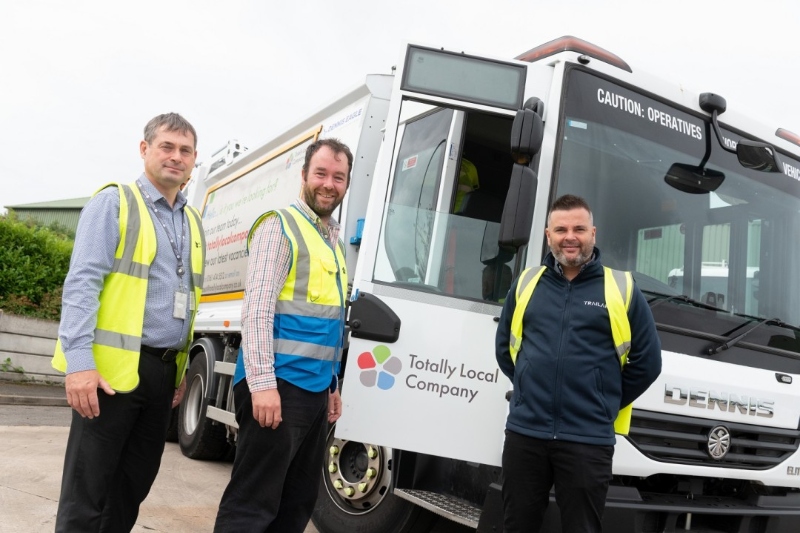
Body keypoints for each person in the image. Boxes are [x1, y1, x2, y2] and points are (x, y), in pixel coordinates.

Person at [51, 113, 204, 532]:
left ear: (194, 161)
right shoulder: (115, 202)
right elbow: (82, 283)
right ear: (144, 149)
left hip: (160, 373)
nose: (176, 157)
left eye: (185, 150)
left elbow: (188, 302)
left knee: (131, 487)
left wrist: (178, 372)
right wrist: (80, 363)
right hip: (108, 373)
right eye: (167, 147)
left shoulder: (191, 222)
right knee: (87, 492)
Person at [495, 194, 661, 532]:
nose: (570, 237)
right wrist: (530, 387)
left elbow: (649, 362)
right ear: (549, 236)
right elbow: (505, 349)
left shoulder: (622, 288)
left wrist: (603, 400)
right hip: (526, 435)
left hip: (588, 440)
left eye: (579, 229)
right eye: (561, 229)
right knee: (517, 525)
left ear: (593, 234)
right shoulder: (527, 283)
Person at [214, 138, 350, 533]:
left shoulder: (333, 242)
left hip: (312, 390)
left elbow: (330, 321)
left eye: (338, 177)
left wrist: (333, 385)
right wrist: (262, 385)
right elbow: (256, 310)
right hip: (279, 385)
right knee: (253, 505)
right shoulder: (280, 226)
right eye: (321, 173)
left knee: (295, 504)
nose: (329, 184)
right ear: (305, 175)